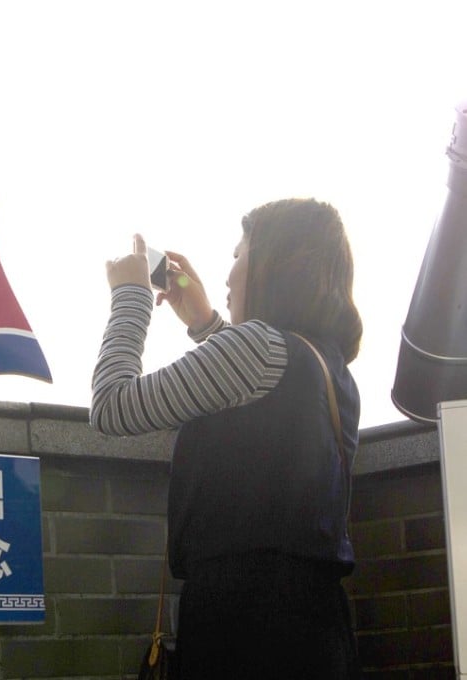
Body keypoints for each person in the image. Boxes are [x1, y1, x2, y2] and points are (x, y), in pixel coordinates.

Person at [90, 198, 362, 679]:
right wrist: (205, 324)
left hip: (244, 624)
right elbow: (258, 405)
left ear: (271, 267)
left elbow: (112, 407)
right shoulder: (329, 366)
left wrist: (130, 297)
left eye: (238, 256)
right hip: (318, 625)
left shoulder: (255, 345)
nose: (228, 274)